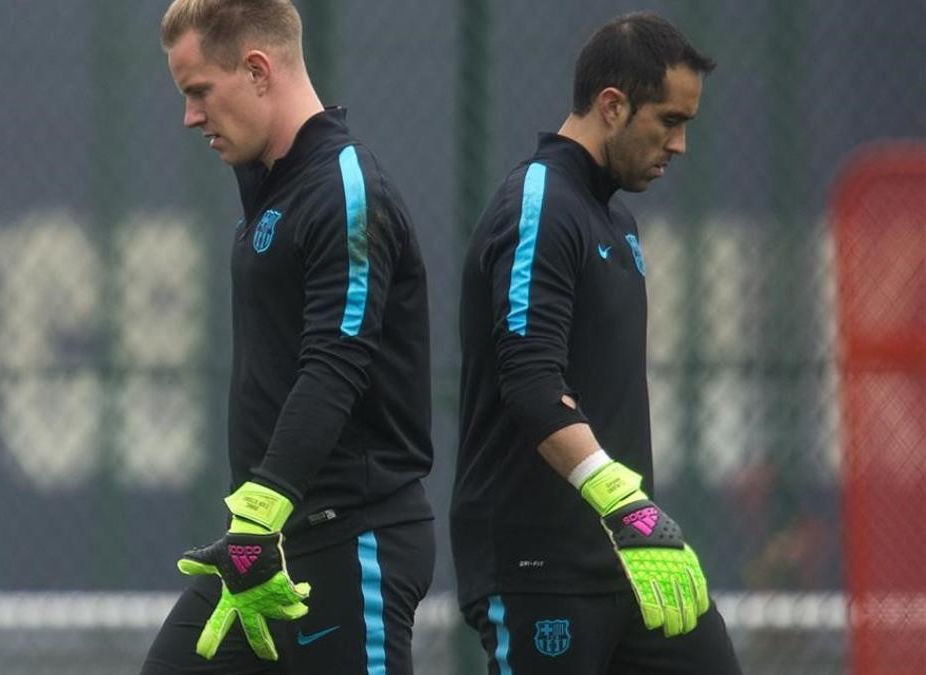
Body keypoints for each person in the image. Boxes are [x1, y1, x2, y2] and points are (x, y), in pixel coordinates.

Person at [143, 1, 434, 673]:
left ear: (256, 69)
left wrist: (259, 513)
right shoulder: (275, 186)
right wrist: (257, 530)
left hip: (350, 539)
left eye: (198, 93)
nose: (190, 117)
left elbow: (335, 364)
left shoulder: (346, 188)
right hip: (268, 546)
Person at [451, 12, 741, 674]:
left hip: (633, 557)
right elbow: (530, 383)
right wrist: (629, 506)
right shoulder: (540, 202)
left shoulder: (615, 217)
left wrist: (635, 526)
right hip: (539, 568)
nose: (680, 144)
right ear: (612, 105)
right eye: (669, 121)